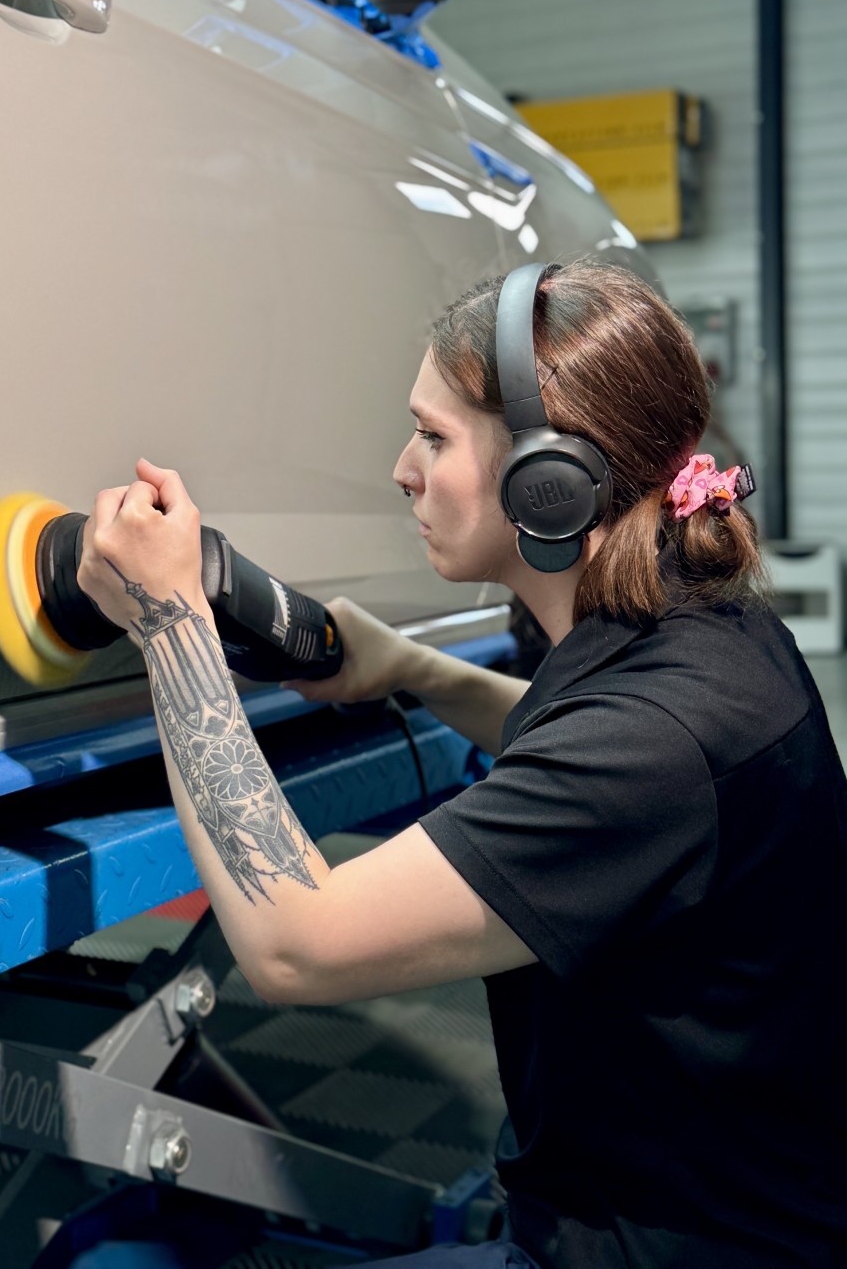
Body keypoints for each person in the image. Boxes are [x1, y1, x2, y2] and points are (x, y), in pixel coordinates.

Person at [76, 258, 847, 1269]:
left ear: (549, 481)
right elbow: (578, 751)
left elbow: (297, 942)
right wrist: (412, 667)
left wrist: (170, 622)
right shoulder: (708, 633)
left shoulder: (655, 742)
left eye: (434, 438)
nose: (404, 469)